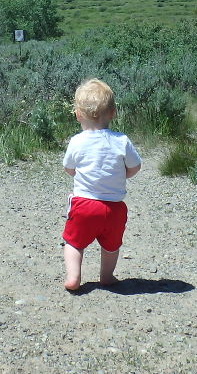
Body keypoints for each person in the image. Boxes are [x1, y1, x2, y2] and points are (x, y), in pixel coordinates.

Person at [61, 78, 142, 291]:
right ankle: (107, 276)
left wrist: (79, 172)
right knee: (111, 246)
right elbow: (135, 167)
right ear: (113, 113)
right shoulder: (121, 140)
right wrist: (122, 174)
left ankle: (73, 277)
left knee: (74, 242)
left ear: (78, 115)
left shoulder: (77, 141)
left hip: (84, 205)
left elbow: (69, 168)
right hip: (114, 208)